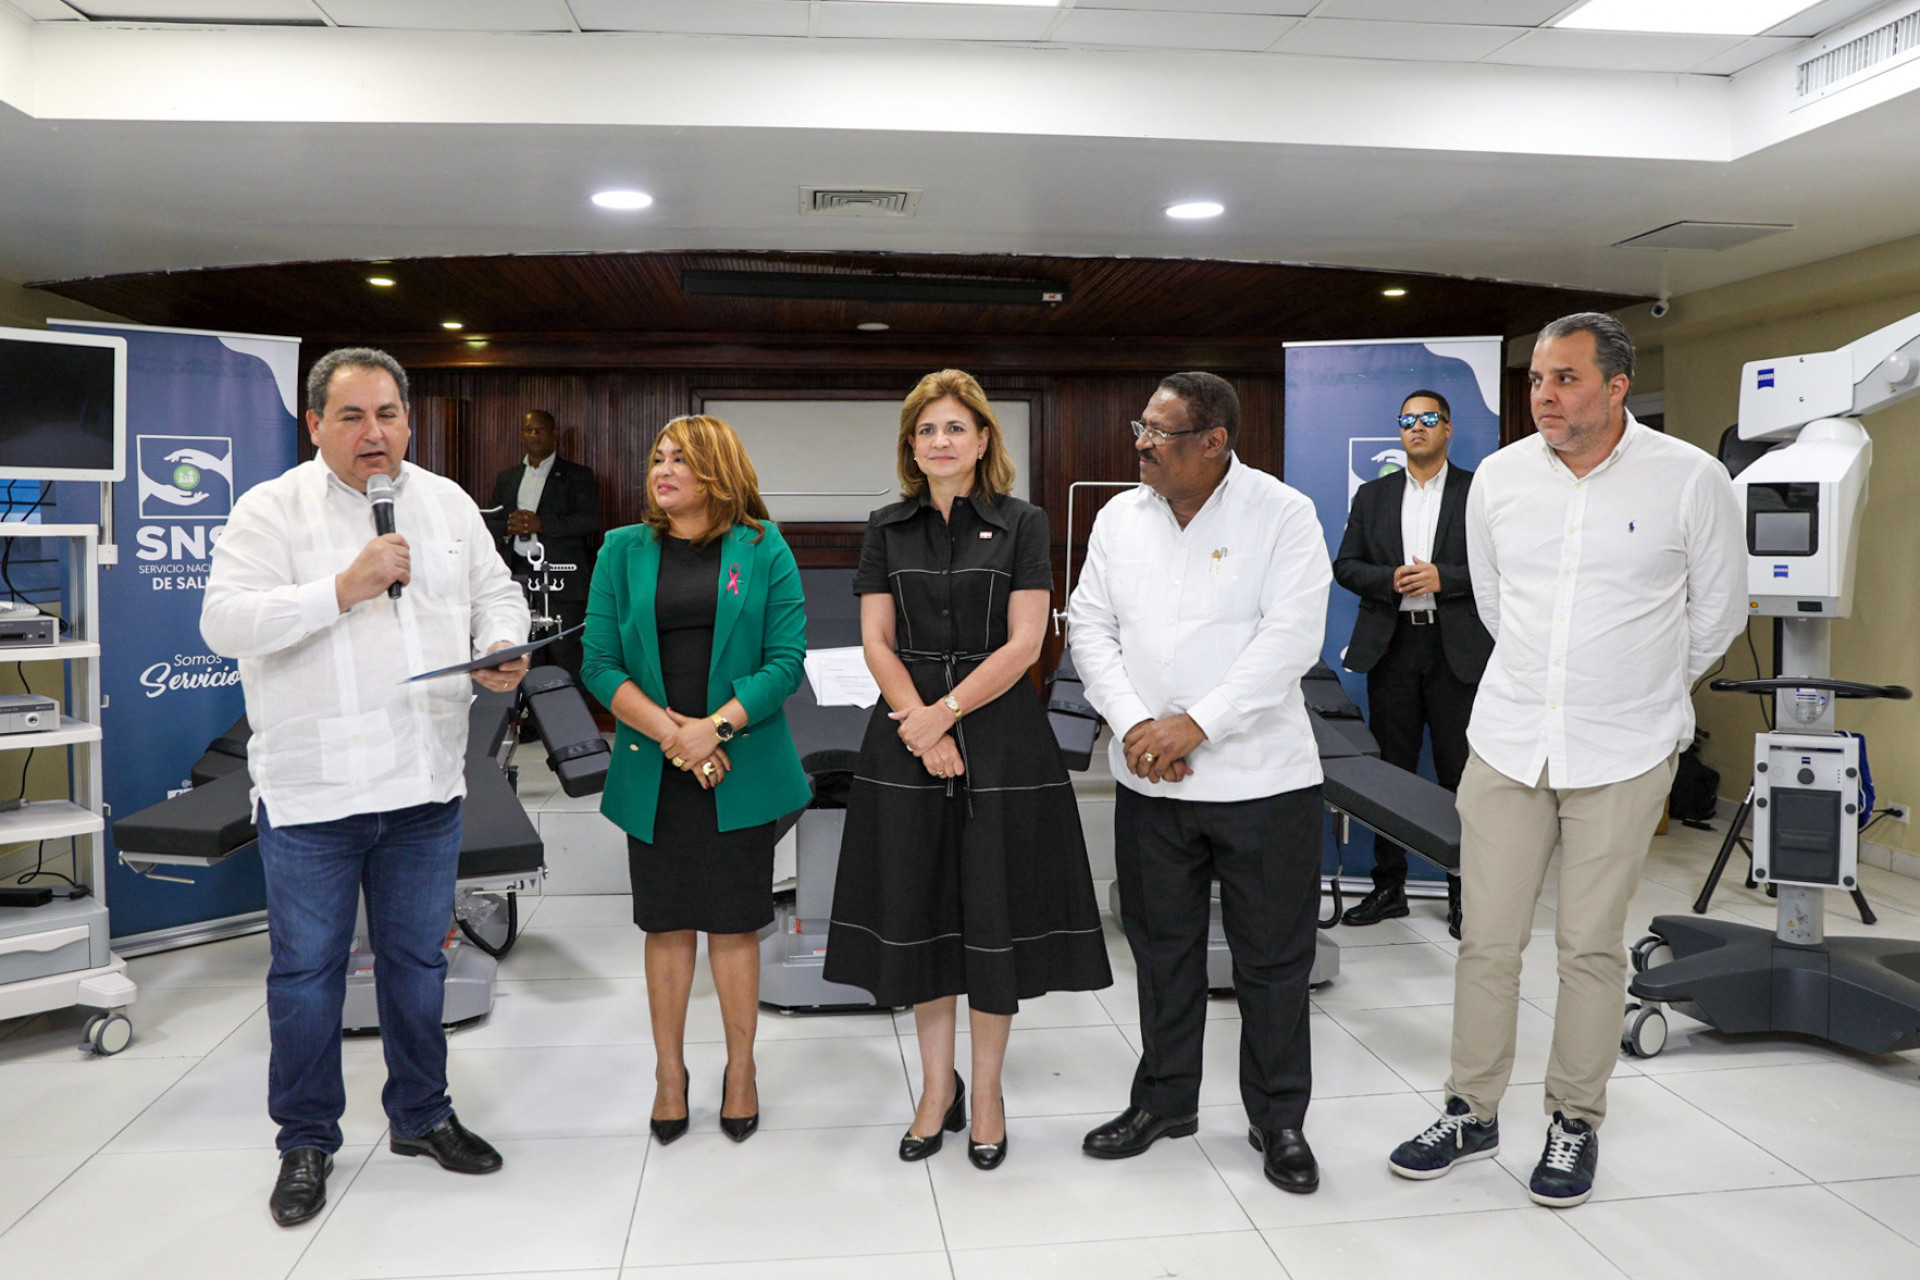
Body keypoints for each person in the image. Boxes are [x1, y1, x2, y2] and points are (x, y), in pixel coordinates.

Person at [1386, 313, 1744, 1207]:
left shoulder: (1690, 479)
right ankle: (1471, 1109)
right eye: (1537, 379)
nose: (1544, 395)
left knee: (1589, 945)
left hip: (1623, 749)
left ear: (1617, 387)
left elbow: (1718, 614)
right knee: (1487, 940)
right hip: (1510, 741)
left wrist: (1638, 686)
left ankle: (1574, 1119)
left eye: (1565, 378)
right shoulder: (1502, 479)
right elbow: (1496, 601)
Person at [201, 347, 532, 1228]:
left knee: (418, 965)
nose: (373, 433)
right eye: (351, 416)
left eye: (387, 414)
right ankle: (306, 1140)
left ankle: (422, 1115)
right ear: (315, 425)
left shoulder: (447, 503)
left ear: (408, 420)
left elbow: (496, 594)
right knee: (307, 975)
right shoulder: (270, 510)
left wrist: (502, 645)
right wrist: (342, 588)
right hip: (313, 794)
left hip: (423, 784)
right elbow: (223, 622)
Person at [824, 369, 1110, 1171]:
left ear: (983, 440)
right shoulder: (886, 527)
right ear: (911, 447)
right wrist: (921, 727)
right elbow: (876, 640)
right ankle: (934, 1090)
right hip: (906, 733)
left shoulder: (1023, 522)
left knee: (991, 917)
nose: (940, 441)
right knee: (920, 914)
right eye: (926, 430)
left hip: (1000, 735)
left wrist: (943, 714)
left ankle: (985, 1093)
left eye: (955, 427)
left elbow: (1026, 644)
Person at [1068, 371, 1331, 1195]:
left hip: (1264, 785)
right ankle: (1164, 1101)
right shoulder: (1120, 517)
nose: (1141, 444)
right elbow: (1090, 627)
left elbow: (1291, 639)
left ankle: (1278, 1119)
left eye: (1160, 431)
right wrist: (1138, 727)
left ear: (1214, 441)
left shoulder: (1283, 514)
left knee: (1273, 963)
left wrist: (1197, 725)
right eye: (1140, 427)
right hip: (1152, 785)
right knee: (1161, 954)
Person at [580, 414, 810, 1148]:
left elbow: (786, 660)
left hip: (739, 766)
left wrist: (716, 728)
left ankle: (741, 1071)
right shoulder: (621, 549)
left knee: (736, 924)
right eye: (658, 458)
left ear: (716, 471)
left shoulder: (762, 546)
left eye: (680, 459)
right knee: (666, 923)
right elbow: (598, 663)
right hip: (657, 768)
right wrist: (677, 737)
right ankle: (669, 1075)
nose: (663, 470)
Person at [1332, 390, 1491, 936]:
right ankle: (1388, 888)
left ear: (1448, 428)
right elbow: (1346, 566)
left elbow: (1504, 566)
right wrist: (1389, 579)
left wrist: (1445, 578)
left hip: (1456, 651)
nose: (1416, 427)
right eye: (1407, 420)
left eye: (1427, 419)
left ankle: (1464, 894)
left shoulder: (1478, 492)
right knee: (1391, 774)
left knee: (1459, 774)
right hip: (1393, 646)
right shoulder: (1373, 495)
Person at [485, 409, 602, 688]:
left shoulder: (577, 476)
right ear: (522, 436)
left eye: (540, 430)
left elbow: (590, 520)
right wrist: (508, 526)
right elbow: (491, 521)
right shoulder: (508, 478)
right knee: (524, 649)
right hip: (518, 574)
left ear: (554, 434)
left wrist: (541, 524)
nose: (534, 435)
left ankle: (574, 713)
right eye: (529, 430)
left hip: (561, 576)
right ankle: (528, 714)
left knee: (567, 650)